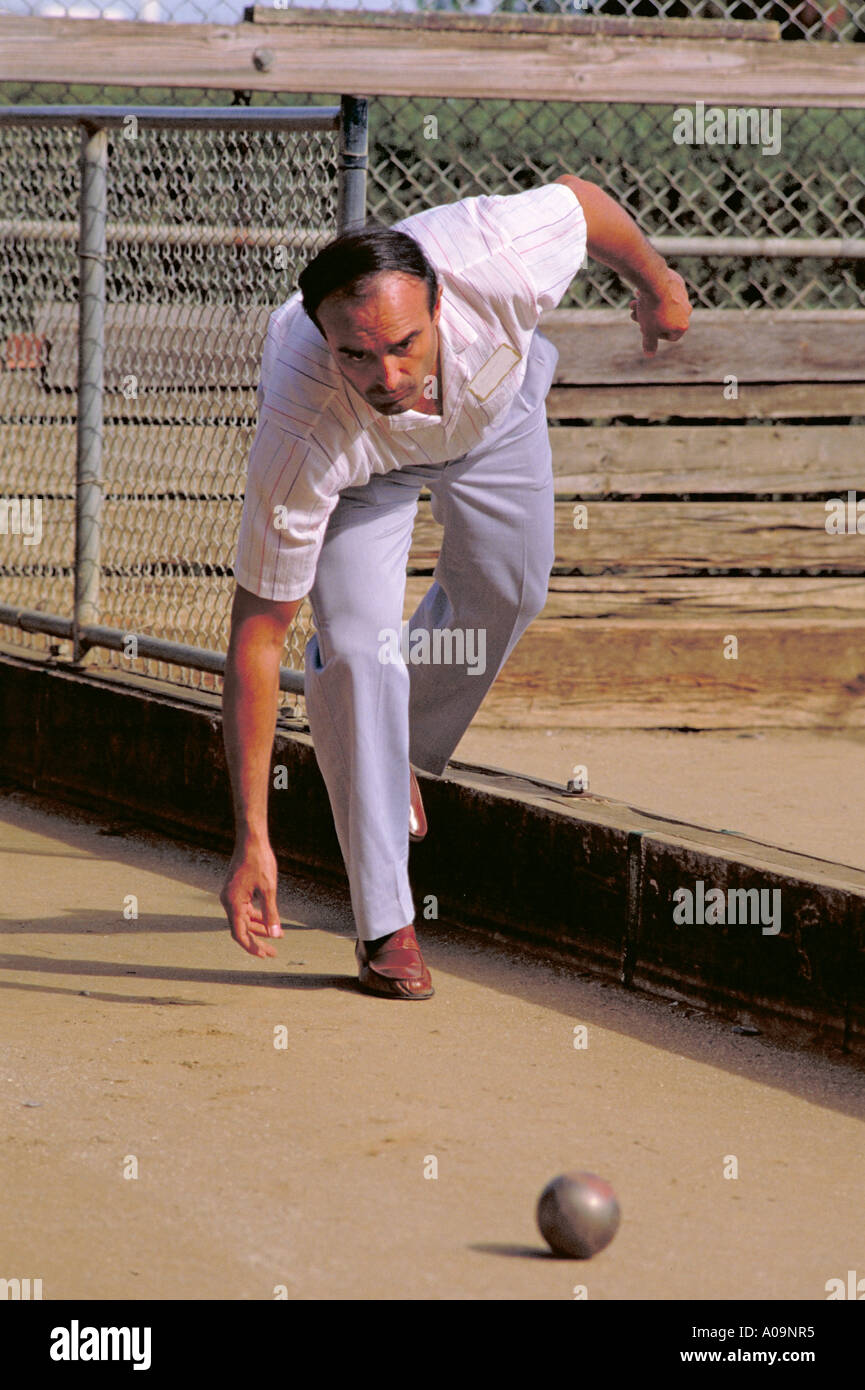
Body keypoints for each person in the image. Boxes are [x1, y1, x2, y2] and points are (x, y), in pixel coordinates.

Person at [219, 176, 692, 999]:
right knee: (361, 659)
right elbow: (258, 636)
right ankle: (384, 926)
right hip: (359, 475)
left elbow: (582, 202)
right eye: (355, 353)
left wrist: (658, 283)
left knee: (509, 590)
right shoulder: (302, 427)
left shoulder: (495, 254)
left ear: (439, 303)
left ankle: (395, 736)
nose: (386, 374)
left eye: (402, 342)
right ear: (324, 342)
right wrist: (252, 838)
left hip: (493, 419)